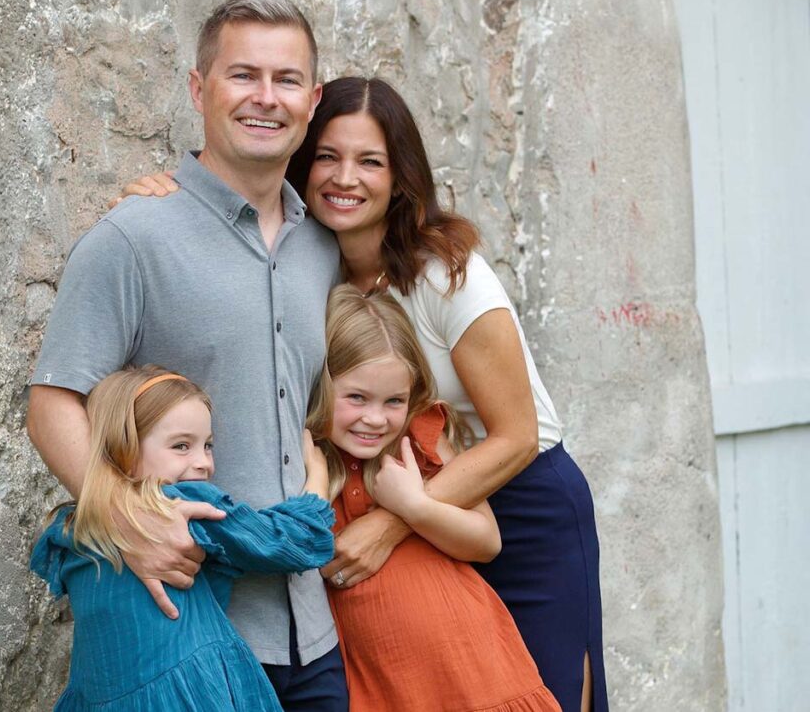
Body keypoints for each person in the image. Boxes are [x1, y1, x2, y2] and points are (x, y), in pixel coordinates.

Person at [118, 77, 608, 712]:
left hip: (517, 496)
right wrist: (163, 199)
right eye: (328, 156)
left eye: (370, 161)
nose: (345, 177)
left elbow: (515, 435)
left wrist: (391, 523)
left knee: (541, 689)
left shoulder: (447, 273)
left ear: (401, 177)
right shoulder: (309, 263)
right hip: (397, 493)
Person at [27, 0, 348, 710]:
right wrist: (126, 523)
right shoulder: (133, 237)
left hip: (311, 634)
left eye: (287, 79)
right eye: (243, 75)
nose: (266, 97)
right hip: (186, 640)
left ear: (312, 99)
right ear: (200, 89)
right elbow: (52, 403)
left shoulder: (323, 249)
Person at [303, 285, 559, 711]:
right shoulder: (308, 462)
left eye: (394, 401)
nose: (375, 418)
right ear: (321, 387)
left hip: (478, 676)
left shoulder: (418, 438)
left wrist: (413, 507)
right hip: (390, 688)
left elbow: (486, 540)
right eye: (356, 398)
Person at [31, 366, 335, 711]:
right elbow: (293, 542)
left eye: (207, 446)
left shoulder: (74, 528)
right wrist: (318, 480)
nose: (203, 462)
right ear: (124, 449)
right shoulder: (181, 508)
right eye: (181, 446)